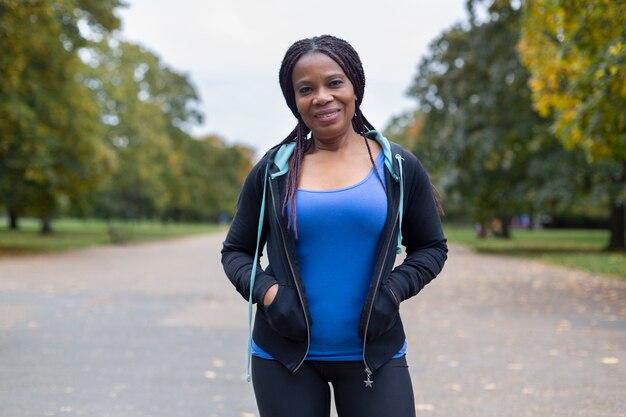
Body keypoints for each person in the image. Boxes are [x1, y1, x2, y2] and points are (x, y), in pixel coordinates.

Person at [221, 34, 447, 417]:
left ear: (355, 87)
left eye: (334, 82)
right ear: (295, 101)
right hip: (283, 357)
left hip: (373, 355)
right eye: (305, 89)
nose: (321, 97)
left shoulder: (398, 167)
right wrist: (270, 293)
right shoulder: (275, 170)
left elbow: (431, 247)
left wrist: (392, 291)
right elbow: (236, 252)